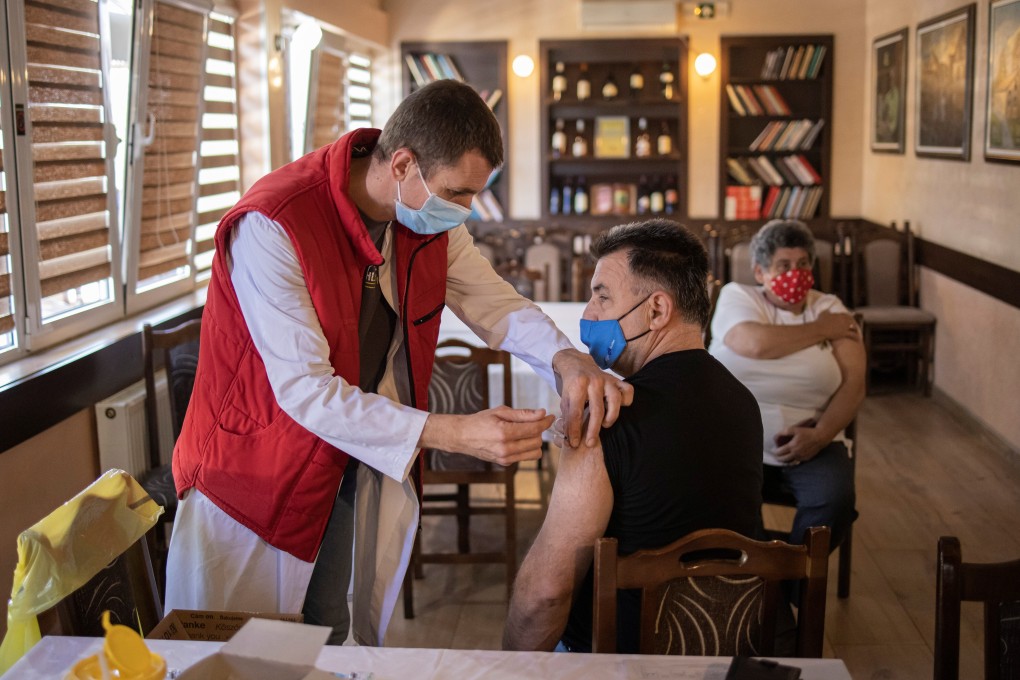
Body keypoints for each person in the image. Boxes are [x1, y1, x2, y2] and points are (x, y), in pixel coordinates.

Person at [164, 79, 633, 647]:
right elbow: (307, 390)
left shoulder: (425, 221)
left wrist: (565, 358)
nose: (464, 211)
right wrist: (454, 433)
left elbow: (495, 303)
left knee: (326, 633)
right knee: (241, 652)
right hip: (251, 471)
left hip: (339, 459)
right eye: (457, 193)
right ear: (404, 164)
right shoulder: (274, 222)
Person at [502, 219, 764, 653]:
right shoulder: (743, 402)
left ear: (657, 310)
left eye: (602, 296)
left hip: (618, 656)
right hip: (721, 643)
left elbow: (545, 596)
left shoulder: (606, 416)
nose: (588, 314)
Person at [708, 219, 864, 554]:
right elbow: (753, 343)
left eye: (803, 263)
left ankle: (795, 578)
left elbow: (855, 382)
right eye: (783, 265)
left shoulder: (830, 308)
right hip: (735, 440)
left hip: (814, 439)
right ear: (760, 272)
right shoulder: (738, 296)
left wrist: (821, 435)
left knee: (835, 499)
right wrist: (823, 330)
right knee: (720, 496)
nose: (796, 273)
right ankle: (763, 572)